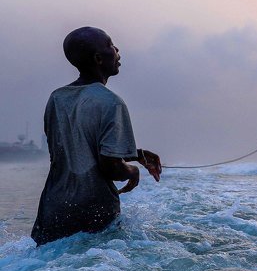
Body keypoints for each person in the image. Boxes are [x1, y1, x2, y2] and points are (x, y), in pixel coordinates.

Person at [31, 27, 161, 245]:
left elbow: (76, 149)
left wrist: (134, 154)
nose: (117, 50)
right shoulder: (112, 102)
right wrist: (133, 171)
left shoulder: (56, 98)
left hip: (53, 212)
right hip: (94, 214)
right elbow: (110, 167)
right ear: (99, 59)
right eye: (110, 45)